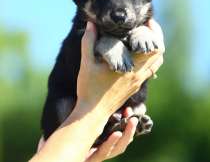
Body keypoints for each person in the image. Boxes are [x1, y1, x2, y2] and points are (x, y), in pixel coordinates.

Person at [29, 20, 164, 162]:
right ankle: (115, 124)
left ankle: (116, 125)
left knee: (137, 108)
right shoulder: (84, 31)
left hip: (95, 131)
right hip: (68, 108)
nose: (119, 12)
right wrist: (97, 110)